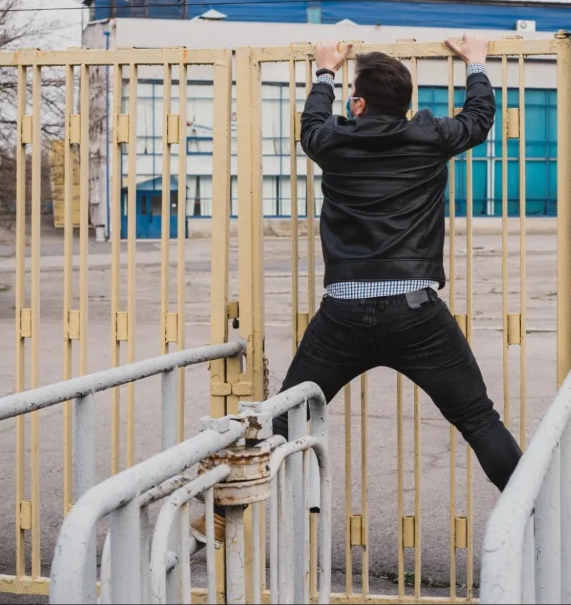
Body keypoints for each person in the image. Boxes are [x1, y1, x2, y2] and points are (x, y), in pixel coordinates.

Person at [193, 35, 521, 546]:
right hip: (415, 312)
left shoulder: (335, 141)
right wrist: (476, 64)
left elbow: (310, 127)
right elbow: (478, 118)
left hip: (343, 313)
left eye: (351, 91)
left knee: (283, 416)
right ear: (404, 103)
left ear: (359, 103)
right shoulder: (430, 135)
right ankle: (542, 513)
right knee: (479, 419)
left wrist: (324, 72)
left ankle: (216, 512)